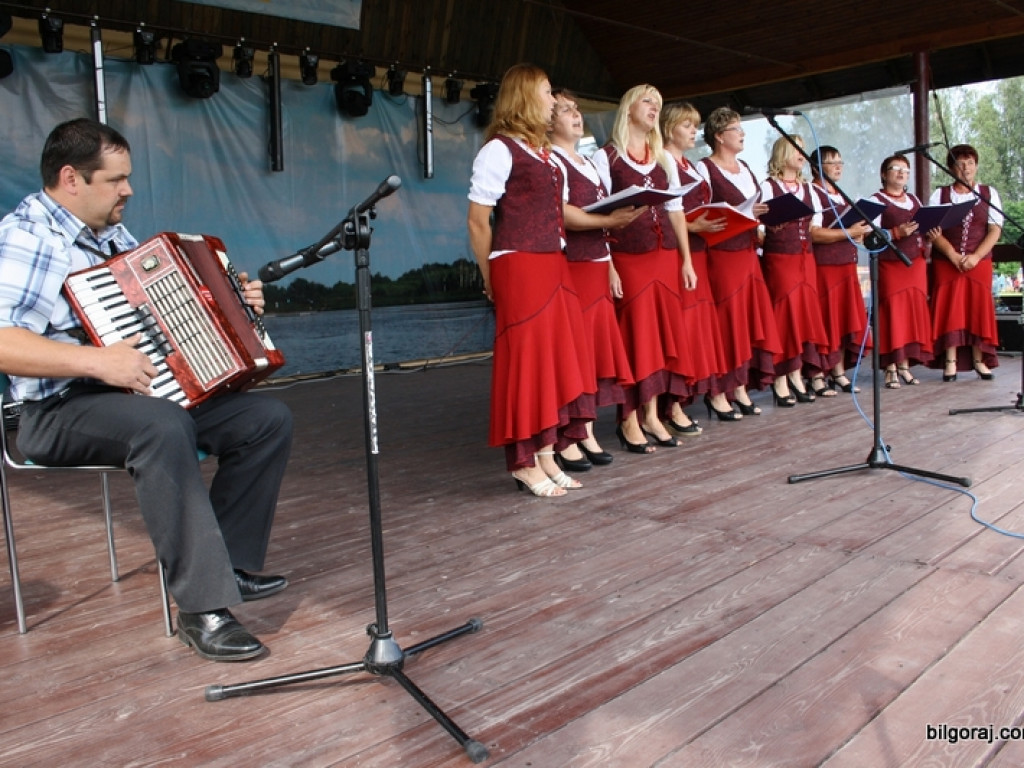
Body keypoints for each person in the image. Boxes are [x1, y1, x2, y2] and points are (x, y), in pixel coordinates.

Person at [0, 118, 293, 661]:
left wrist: (231, 303)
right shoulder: (28, 237)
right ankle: (202, 609)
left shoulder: (112, 237)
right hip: (54, 409)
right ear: (71, 179)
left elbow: (162, 320)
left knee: (265, 419)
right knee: (162, 425)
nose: (128, 191)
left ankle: (224, 566)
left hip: (135, 391)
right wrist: (96, 361)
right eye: (116, 180)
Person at [467, 63, 595, 496]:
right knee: (526, 362)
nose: (553, 99)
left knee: (553, 360)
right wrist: (490, 274)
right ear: (524, 96)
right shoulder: (499, 150)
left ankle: (546, 453)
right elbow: (478, 222)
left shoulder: (543, 152)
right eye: (545, 92)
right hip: (518, 263)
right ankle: (523, 460)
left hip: (552, 263)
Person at [591, 84, 697, 451]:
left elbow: (676, 211)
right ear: (628, 107)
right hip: (628, 257)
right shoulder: (607, 157)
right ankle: (629, 417)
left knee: (659, 336)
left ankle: (652, 413)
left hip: (663, 255)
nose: (655, 108)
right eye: (648, 101)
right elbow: (599, 215)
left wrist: (685, 258)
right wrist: (608, 266)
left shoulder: (663, 157)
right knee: (636, 337)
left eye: (659, 103)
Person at [549, 89, 641, 468]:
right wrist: (608, 221)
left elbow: (602, 219)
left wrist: (612, 265)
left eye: (577, 110)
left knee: (590, 354)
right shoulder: (552, 160)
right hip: (572, 265)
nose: (576, 116)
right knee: (573, 352)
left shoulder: (586, 161)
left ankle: (584, 428)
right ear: (548, 119)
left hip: (597, 264)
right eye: (566, 111)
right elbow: (562, 213)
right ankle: (566, 433)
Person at [695, 107, 781, 417]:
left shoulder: (745, 166)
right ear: (719, 135)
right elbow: (702, 212)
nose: (742, 133)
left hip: (747, 253)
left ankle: (740, 386)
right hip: (722, 254)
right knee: (727, 321)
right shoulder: (704, 168)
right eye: (735, 128)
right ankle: (719, 391)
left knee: (745, 321)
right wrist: (744, 213)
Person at [661, 101, 730, 429]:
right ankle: (673, 403)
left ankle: (698, 393)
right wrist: (692, 227)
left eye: (695, 125)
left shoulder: (690, 165)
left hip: (699, 251)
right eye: (687, 125)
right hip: (675, 252)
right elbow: (660, 213)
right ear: (670, 126)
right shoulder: (661, 160)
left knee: (700, 325)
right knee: (682, 327)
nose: (693, 131)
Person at [759, 135, 830, 404]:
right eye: (795, 147)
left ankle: (797, 373)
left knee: (803, 314)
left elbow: (814, 227)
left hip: (805, 259)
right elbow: (756, 226)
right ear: (782, 151)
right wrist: (773, 233)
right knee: (784, 313)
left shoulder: (809, 189)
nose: (801, 153)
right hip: (780, 259)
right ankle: (780, 376)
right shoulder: (768, 186)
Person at [926, 144, 1001, 381]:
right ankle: (950, 360)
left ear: (976, 166)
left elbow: (994, 229)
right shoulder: (940, 195)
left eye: (970, 162)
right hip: (947, 261)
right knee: (950, 308)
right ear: (950, 168)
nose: (966, 168)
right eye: (960, 163)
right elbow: (933, 230)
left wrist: (977, 256)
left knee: (977, 307)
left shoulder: (988, 193)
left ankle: (980, 360)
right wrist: (954, 256)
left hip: (979, 262)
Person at [808, 145, 873, 394]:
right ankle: (817, 374)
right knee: (827, 320)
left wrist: (858, 233)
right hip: (825, 266)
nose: (838, 166)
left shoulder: (842, 194)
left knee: (844, 320)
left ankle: (838, 371)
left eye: (840, 161)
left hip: (846, 264)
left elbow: (848, 231)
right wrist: (848, 232)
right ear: (816, 167)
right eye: (831, 161)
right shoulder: (813, 192)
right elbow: (814, 233)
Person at [871, 153, 934, 386]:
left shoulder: (914, 200)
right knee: (893, 312)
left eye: (905, 169)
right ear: (884, 174)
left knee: (910, 312)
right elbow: (872, 236)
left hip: (915, 263)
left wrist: (931, 233)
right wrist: (897, 232)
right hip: (891, 264)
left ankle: (905, 365)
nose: (901, 173)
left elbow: (922, 227)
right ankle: (890, 368)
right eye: (895, 168)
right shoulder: (876, 200)